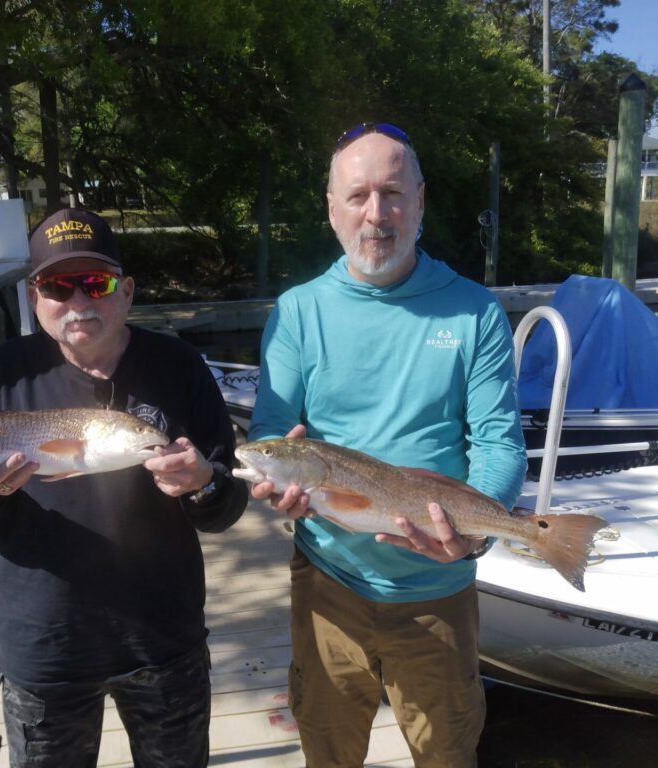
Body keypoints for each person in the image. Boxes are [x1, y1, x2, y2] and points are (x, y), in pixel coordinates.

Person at [248, 122, 527, 767]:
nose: (377, 215)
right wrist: (275, 489)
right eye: (358, 196)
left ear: (421, 201)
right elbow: (273, 432)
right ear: (332, 208)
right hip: (327, 584)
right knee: (328, 749)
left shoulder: (475, 311)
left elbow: (498, 443)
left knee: (448, 754)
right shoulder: (297, 312)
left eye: (394, 193)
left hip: (439, 585)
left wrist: (477, 528)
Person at [0, 207, 247, 767]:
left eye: (96, 283)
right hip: (43, 645)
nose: (79, 301)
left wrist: (203, 483)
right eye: (58, 285)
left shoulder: (178, 367)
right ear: (35, 299)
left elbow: (226, 504)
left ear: (126, 291)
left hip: (162, 639)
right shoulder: (6, 373)